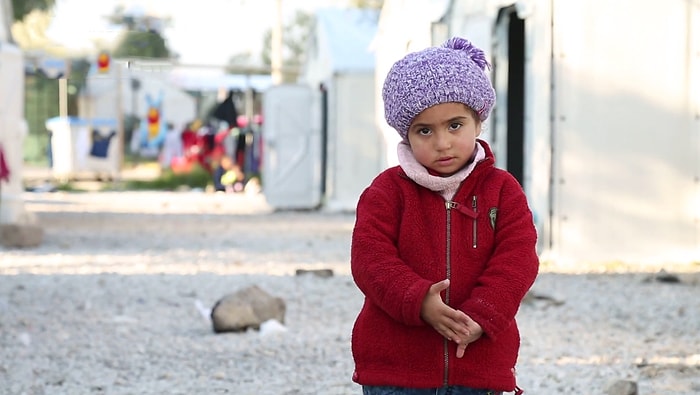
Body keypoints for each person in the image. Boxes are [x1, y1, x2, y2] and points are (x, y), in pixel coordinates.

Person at [350, 37, 539, 395]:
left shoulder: (502, 190)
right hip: (397, 371)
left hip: (477, 365)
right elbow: (369, 258)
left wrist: (484, 315)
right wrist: (419, 301)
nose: (442, 142)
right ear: (405, 133)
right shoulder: (388, 190)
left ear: (477, 122)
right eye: (425, 130)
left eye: (455, 125)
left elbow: (517, 259)